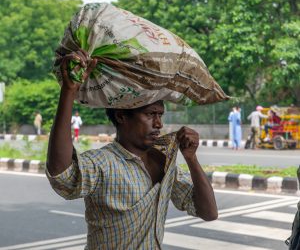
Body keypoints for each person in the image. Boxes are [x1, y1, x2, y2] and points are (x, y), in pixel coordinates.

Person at [46, 50, 218, 249]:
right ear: (121, 116)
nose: (158, 124)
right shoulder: (104, 163)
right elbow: (62, 177)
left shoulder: (164, 162)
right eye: (150, 114)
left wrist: (191, 159)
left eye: (160, 115)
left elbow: (208, 212)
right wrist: (69, 91)